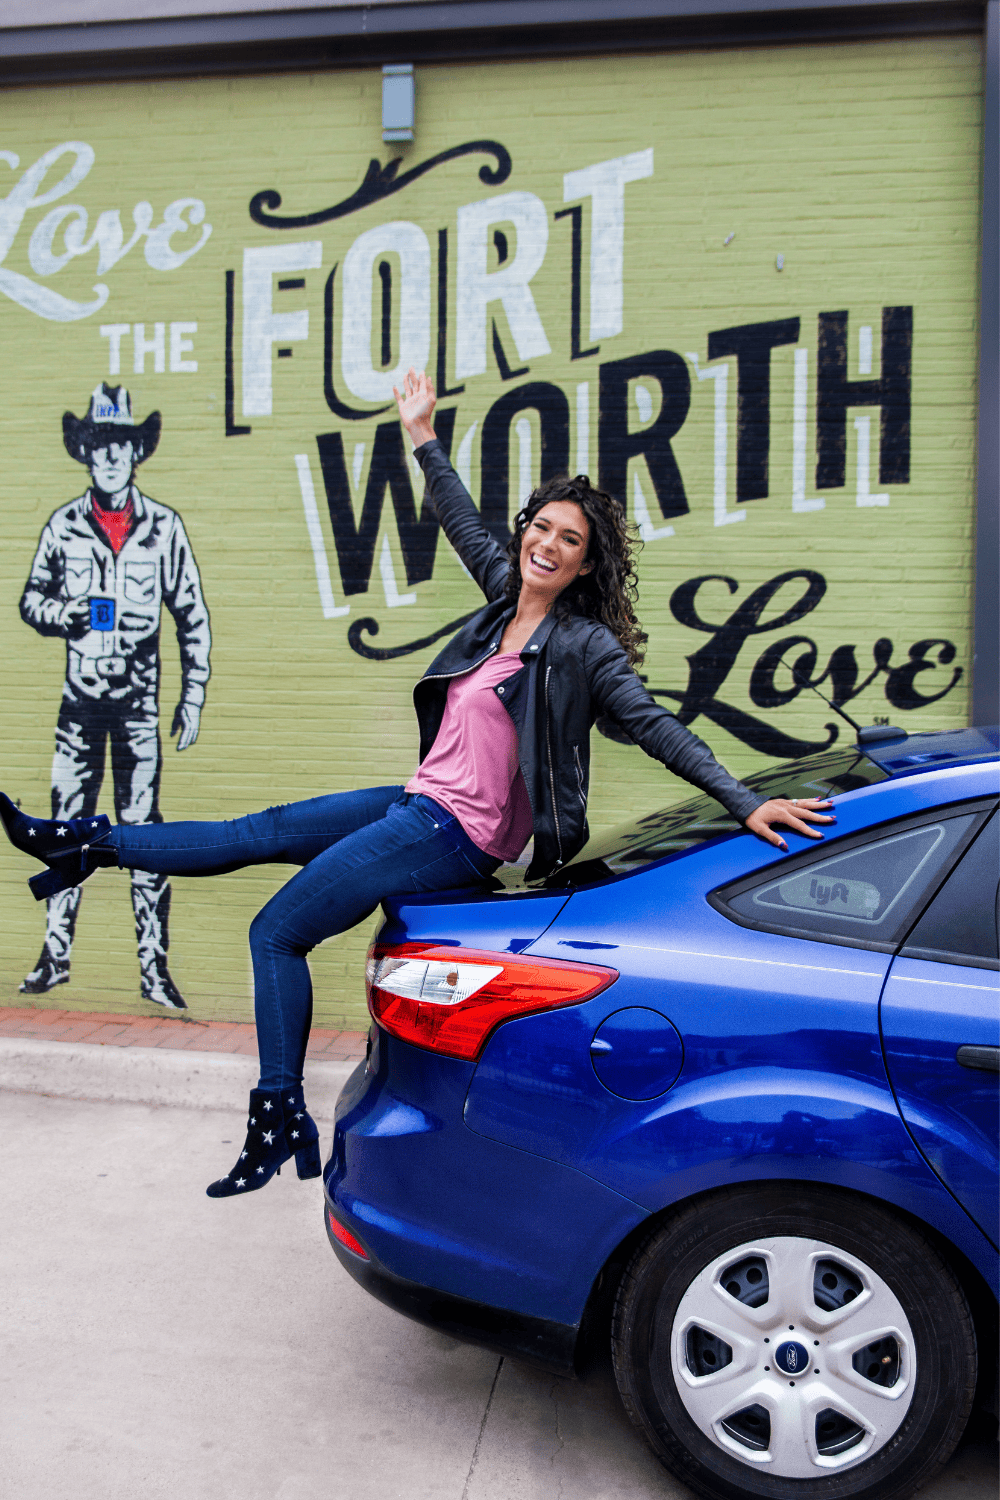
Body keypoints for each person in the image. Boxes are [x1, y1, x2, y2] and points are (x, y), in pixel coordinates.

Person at [0, 369, 834, 1201]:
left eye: (568, 539)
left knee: (276, 931)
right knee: (258, 832)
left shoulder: (584, 650)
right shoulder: (503, 595)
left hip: (453, 834)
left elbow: (654, 726)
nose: (546, 544)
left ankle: (278, 1112)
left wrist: (745, 799)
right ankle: (79, 844)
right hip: (418, 804)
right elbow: (460, 516)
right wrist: (422, 432)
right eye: (539, 527)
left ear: (587, 564)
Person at [18, 382, 211, 1009]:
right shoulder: (63, 526)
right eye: (99, 445)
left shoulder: (163, 528)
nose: (109, 456)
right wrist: (63, 612)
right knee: (62, 830)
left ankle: (154, 969)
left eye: (120, 445)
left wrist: (195, 694)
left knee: (143, 835)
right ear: (85, 451)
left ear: (136, 453)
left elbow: (191, 615)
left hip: (138, 709)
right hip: (79, 707)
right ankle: (55, 956)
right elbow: (30, 601)